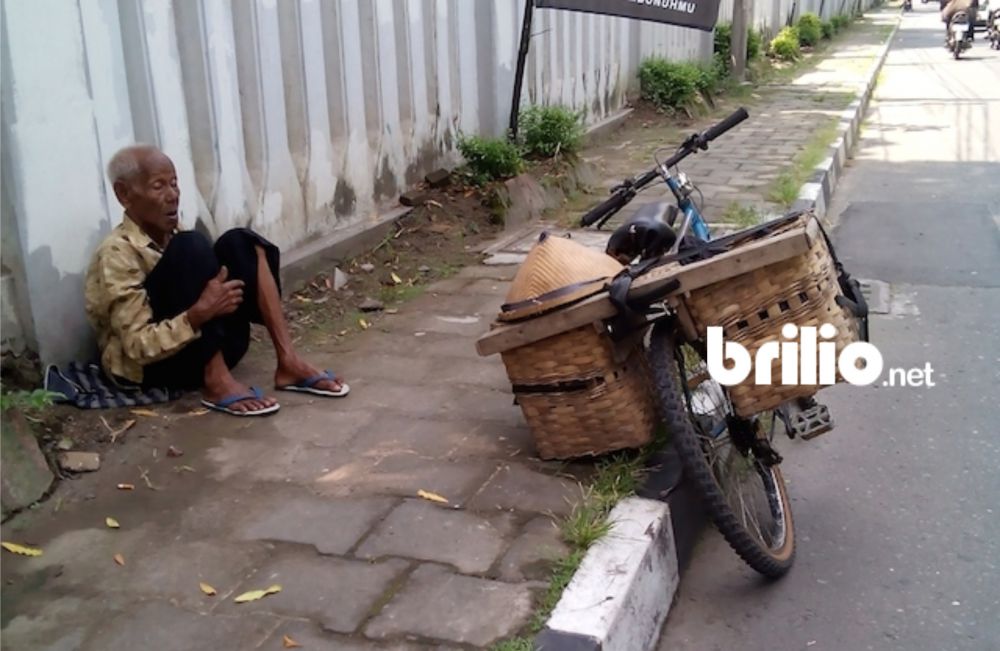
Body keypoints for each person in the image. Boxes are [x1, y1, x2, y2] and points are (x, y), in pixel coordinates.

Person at [84, 145, 349, 416]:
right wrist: (197, 314)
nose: (173, 195)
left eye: (174, 184)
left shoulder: (172, 235)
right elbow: (136, 348)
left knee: (241, 242)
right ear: (124, 194)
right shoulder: (117, 253)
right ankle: (217, 382)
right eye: (158, 186)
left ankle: (288, 362)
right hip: (152, 370)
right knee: (192, 246)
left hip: (213, 348)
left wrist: (211, 306)